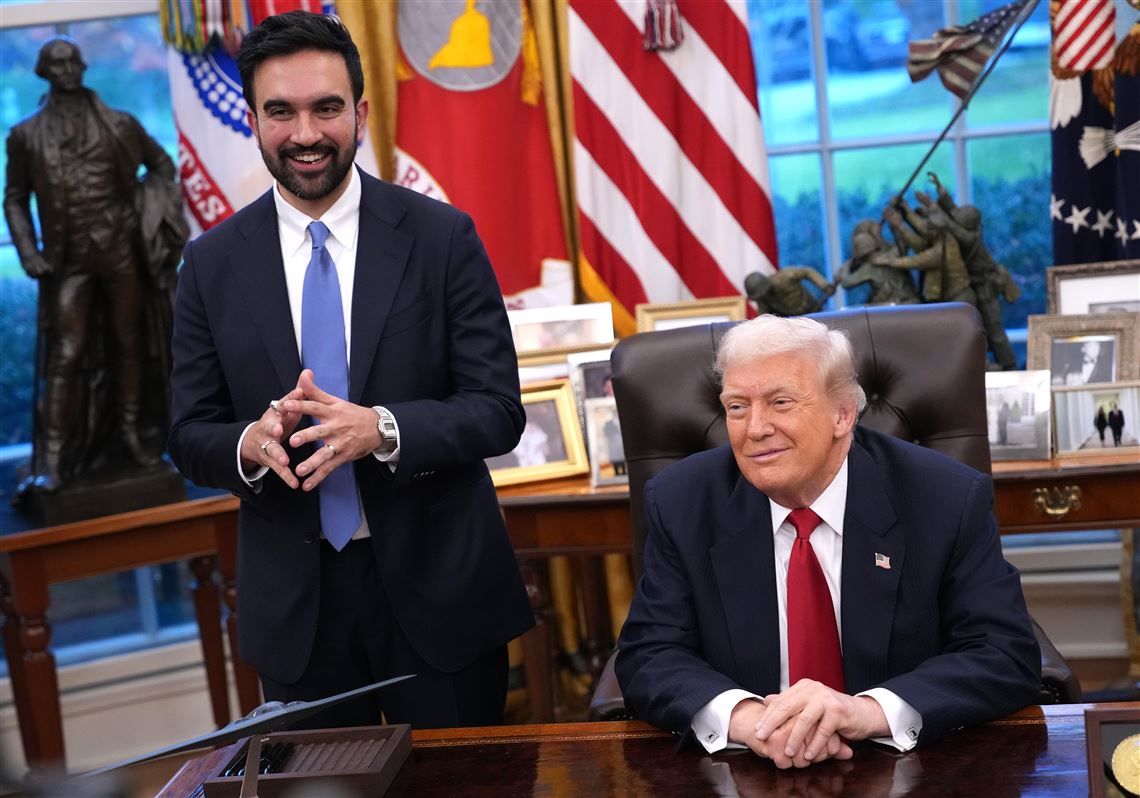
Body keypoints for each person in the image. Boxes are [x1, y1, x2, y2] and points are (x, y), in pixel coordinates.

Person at [167, 11, 533, 731]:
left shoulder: (442, 237)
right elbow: (186, 431)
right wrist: (250, 442)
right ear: (253, 120)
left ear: (360, 113)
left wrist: (383, 429)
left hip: (443, 599)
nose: (306, 133)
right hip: (299, 613)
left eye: (326, 108)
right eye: (282, 111)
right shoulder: (209, 266)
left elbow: (498, 408)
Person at [615, 314, 1041, 768]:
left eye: (780, 402)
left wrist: (866, 711)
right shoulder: (682, 502)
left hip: (905, 762)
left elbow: (1002, 652)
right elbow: (650, 654)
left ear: (843, 414)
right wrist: (748, 720)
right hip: (746, 764)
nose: (754, 428)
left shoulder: (945, 498)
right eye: (737, 407)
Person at [4, 37, 181, 492]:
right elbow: (15, 199)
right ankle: (55, 459)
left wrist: (148, 213)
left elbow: (162, 167)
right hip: (69, 263)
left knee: (130, 345)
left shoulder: (120, 124)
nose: (66, 70)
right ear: (45, 72)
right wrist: (28, 252)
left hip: (122, 253)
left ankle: (133, 436)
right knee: (66, 354)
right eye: (56, 64)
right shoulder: (25, 135)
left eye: (72, 62)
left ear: (82, 66)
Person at [744, 267, 835, 316]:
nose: (763, 297)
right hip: (790, 324)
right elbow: (763, 318)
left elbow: (807, 272)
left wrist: (824, 285)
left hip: (813, 311)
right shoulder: (762, 299)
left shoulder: (785, 277)